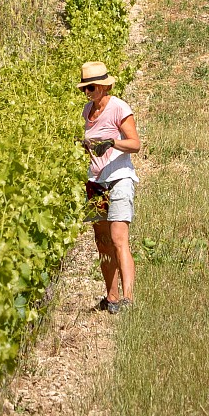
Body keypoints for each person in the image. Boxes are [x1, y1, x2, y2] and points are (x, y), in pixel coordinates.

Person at [78, 60, 141, 312]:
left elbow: (135, 144)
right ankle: (111, 297)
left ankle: (128, 298)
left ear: (104, 86)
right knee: (102, 241)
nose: (88, 92)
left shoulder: (118, 107)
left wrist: (112, 142)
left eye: (91, 87)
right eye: (85, 89)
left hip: (118, 178)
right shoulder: (86, 111)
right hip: (95, 181)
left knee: (118, 239)